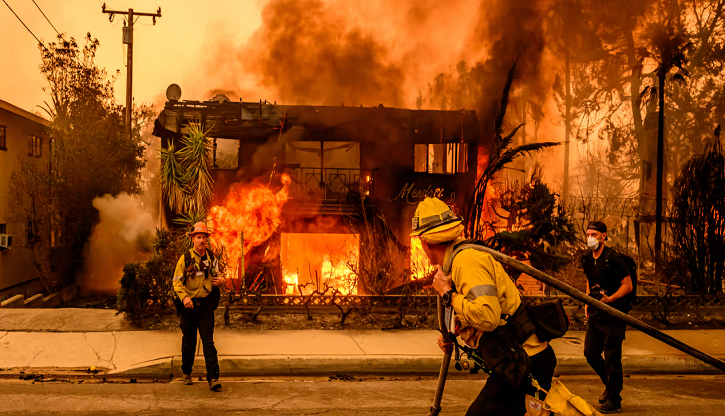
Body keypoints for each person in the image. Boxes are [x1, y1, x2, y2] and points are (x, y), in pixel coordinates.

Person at [412, 197, 557, 415]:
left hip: (525, 362)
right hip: (516, 360)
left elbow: (488, 316)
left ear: (425, 242)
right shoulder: (453, 264)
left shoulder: (467, 262)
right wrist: (453, 332)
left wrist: (448, 295)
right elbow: (476, 308)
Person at [583, 220, 634, 413]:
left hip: (614, 314)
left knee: (612, 357)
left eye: (594, 235)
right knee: (590, 353)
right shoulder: (586, 257)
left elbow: (627, 285)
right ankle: (610, 386)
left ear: (604, 236)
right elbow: (589, 280)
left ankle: (615, 399)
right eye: (588, 235)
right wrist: (587, 301)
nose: (590, 239)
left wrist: (610, 299)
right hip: (596, 314)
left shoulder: (614, 258)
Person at [173, 221, 226, 391]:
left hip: (205, 307)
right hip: (189, 307)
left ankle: (213, 378)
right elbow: (176, 282)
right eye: (198, 237)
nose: (202, 240)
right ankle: (186, 372)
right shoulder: (185, 258)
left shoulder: (211, 257)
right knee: (189, 342)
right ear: (192, 239)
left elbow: (218, 275)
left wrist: (221, 280)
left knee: (208, 342)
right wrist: (184, 298)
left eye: (204, 237)